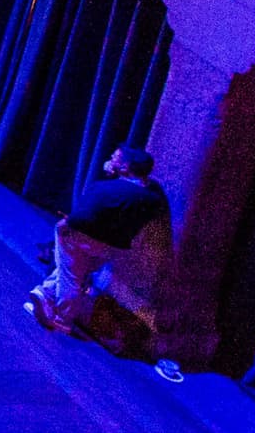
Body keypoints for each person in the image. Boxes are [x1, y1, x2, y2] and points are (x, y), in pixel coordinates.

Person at [36, 143, 180, 375]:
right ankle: (46, 293)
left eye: (114, 158)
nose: (109, 160)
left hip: (81, 238)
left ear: (125, 167)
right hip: (111, 248)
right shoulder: (152, 198)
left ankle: (62, 318)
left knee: (71, 274)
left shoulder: (105, 189)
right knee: (77, 272)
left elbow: (81, 218)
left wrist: (66, 224)